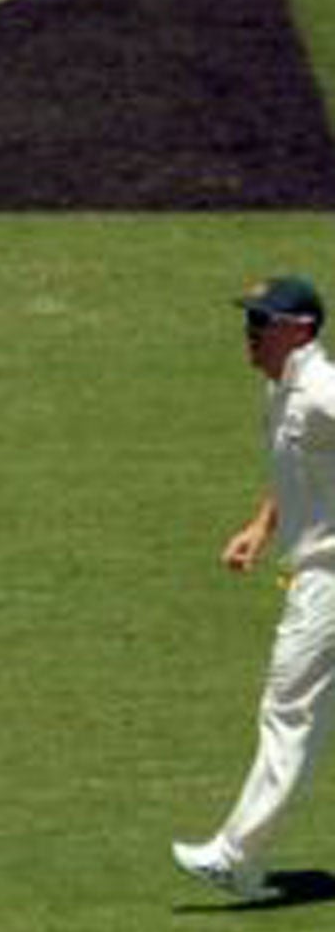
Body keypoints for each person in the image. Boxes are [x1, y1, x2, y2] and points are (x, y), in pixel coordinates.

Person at [174, 276, 335, 898]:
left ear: (300, 329)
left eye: (261, 323)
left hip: (328, 579)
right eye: (249, 321)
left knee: (288, 710)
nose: (250, 334)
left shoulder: (321, 391)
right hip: (314, 568)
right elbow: (298, 467)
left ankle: (236, 857)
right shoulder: (282, 391)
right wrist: (262, 525)